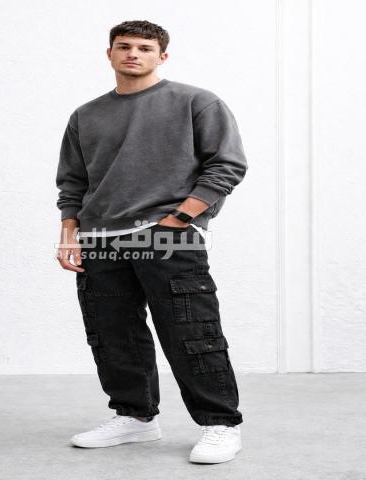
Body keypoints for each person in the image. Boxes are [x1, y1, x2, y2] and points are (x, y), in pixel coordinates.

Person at [55, 20, 248, 464]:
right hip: (100, 238)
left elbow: (227, 165)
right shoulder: (85, 115)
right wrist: (69, 237)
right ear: (109, 53)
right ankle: (135, 417)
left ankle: (220, 424)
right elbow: (73, 182)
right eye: (124, 46)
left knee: (191, 331)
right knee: (112, 334)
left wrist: (180, 218)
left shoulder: (196, 102)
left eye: (144, 48)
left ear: (162, 56)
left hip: (167, 238)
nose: (133, 54)